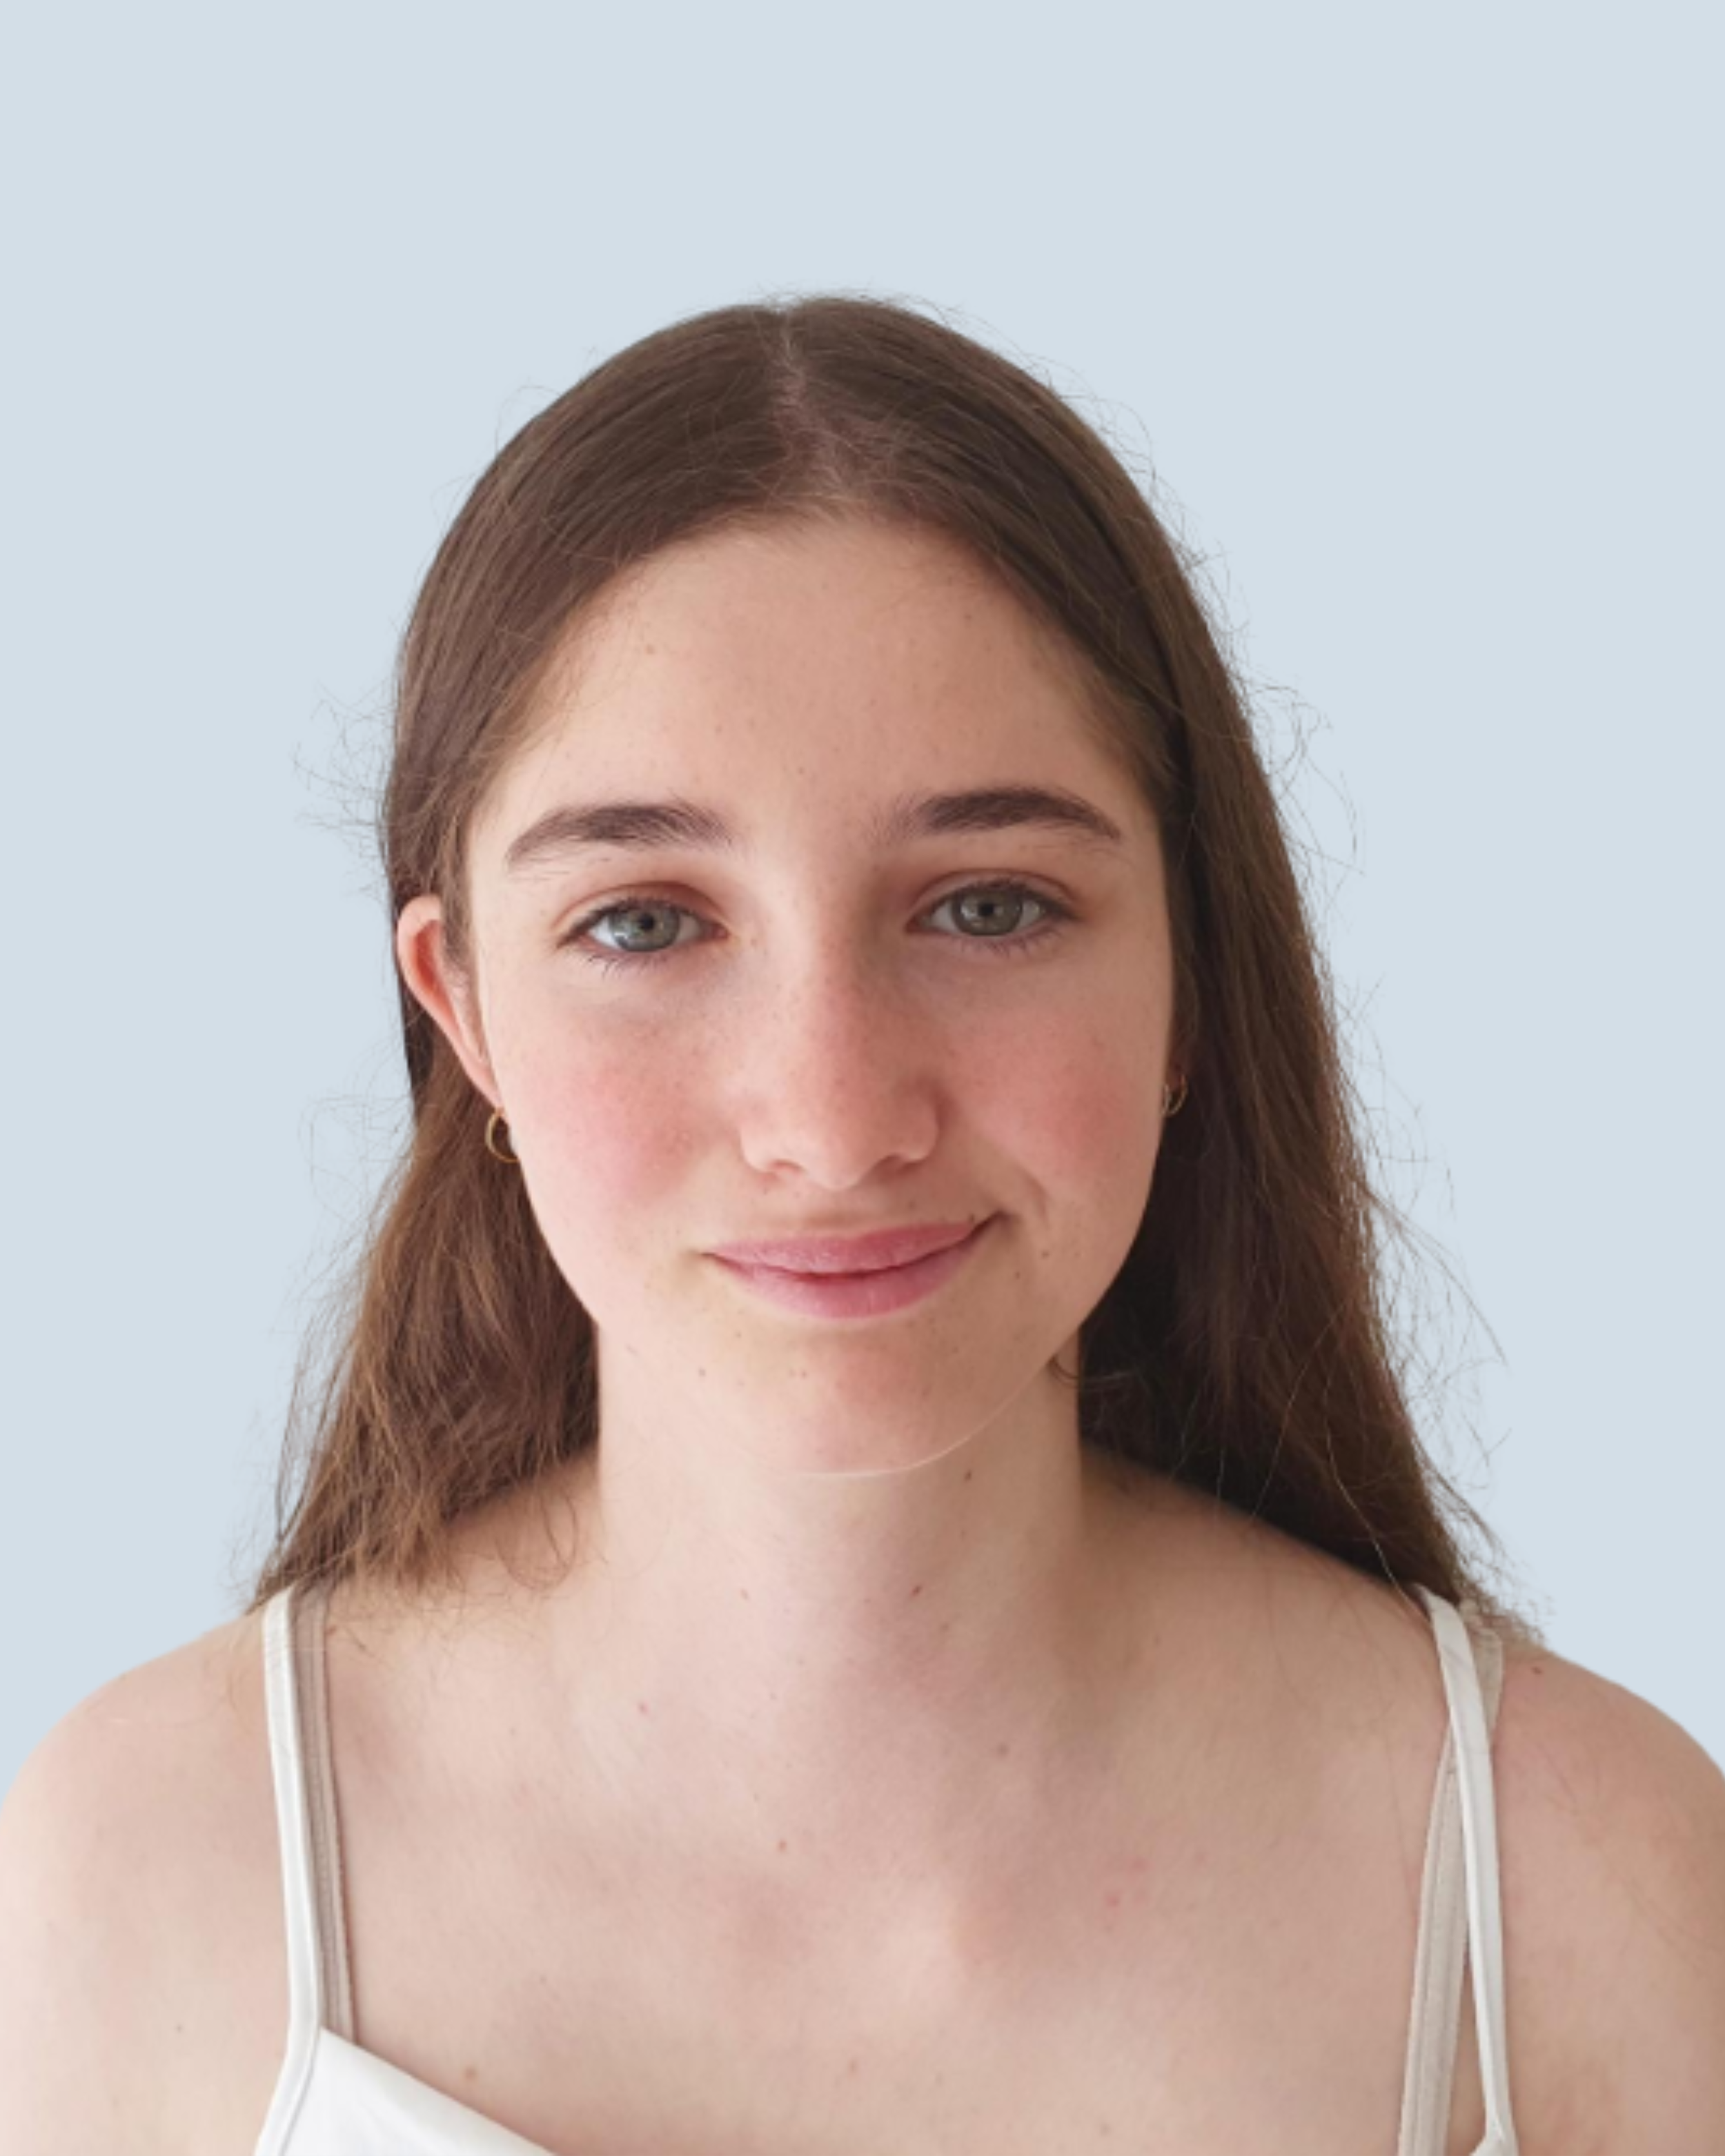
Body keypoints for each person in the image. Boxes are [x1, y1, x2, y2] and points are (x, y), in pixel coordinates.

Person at [3, 296, 1722, 2155]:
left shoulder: (1577, 1888)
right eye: (647, 922)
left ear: (1190, 983)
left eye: (985, 907)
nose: (829, 1122)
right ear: (463, 1013)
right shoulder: (153, 1866)